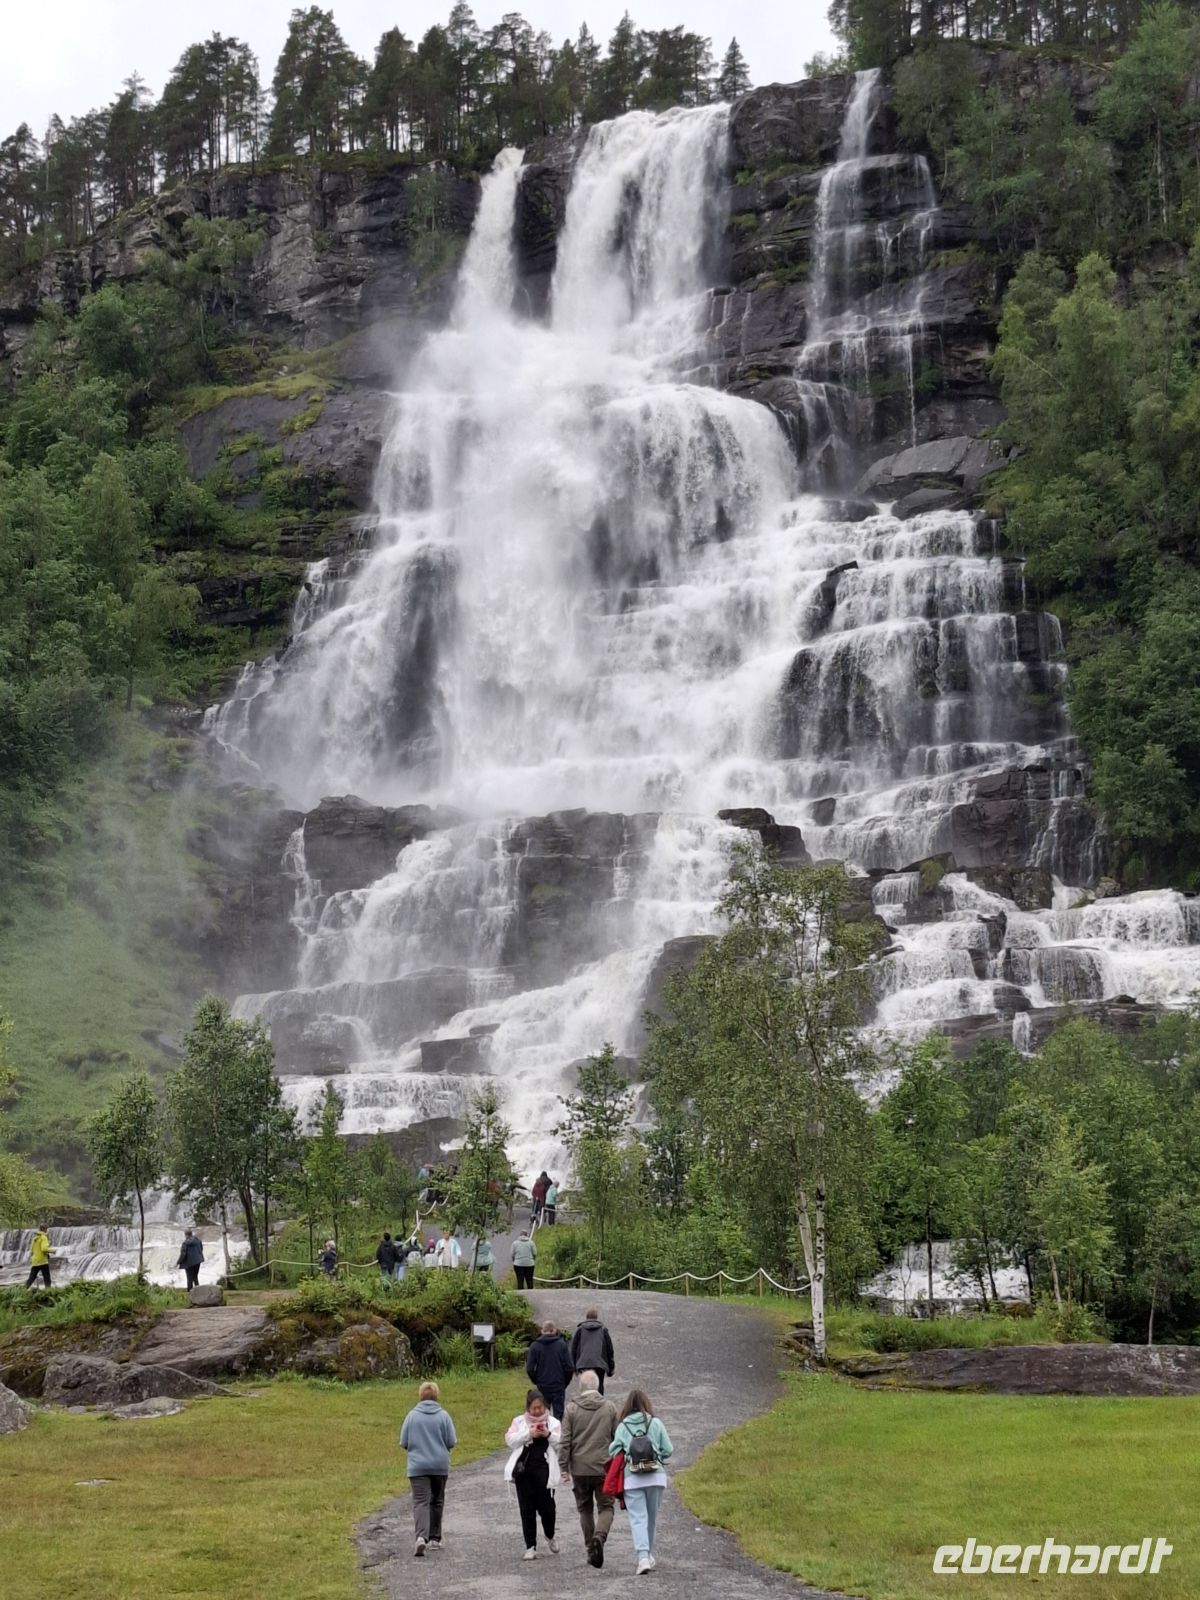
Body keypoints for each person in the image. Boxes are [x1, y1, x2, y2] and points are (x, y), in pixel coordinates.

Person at [609, 1388, 674, 1575]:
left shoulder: (622, 1427)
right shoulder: (656, 1423)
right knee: (651, 1518)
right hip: (656, 1476)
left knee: (638, 1518)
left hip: (632, 1477)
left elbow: (613, 1452)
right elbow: (668, 1449)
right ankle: (648, 1554)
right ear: (646, 1404)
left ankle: (643, 1557)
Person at [560, 1369, 618, 1568]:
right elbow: (616, 1437)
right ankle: (599, 1538)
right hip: (603, 1467)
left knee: (585, 1508)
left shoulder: (571, 1409)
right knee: (606, 1507)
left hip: (579, 1468)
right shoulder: (609, 1408)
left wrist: (563, 1467)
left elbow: (565, 1440)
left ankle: (589, 1548)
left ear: (580, 1388)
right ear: (597, 1386)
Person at [400, 1379, 458, 1558]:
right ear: (436, 1396)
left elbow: (404, 1442)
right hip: (439, 1466)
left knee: (420, 1502)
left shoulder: (411, 1416)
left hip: (418, 1467)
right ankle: (434, 1538)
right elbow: (451, 1441)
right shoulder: (443, 1416)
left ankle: (420, 1537)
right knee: (437, 1500)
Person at [505, 1388, 562, 1560]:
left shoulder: (553, 1423)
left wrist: (547, 1434)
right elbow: (510, 1440)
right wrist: (528, 1433)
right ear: (528, 1408)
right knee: (526, 1510)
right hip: (524, 1472)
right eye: (534, 1408)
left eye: (540, 1408)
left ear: (545, 1407)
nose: (537, 1411)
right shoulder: (519, 1421)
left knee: (548, 1509)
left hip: (544, 1471)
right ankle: (530, 1546)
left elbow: (562, 1442)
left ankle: (550, 1534)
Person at [525, 1319, 574, 1421]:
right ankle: (557, 1435)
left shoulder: (535, 1346)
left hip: (542, 1385)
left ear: (542, 1331)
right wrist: (565, 1382)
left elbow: (530, 1368)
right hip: (558, 1384)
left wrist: (536, 1380)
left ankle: (543, 1434)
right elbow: (569, 1367)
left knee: (542, 1415)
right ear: (554, 1330)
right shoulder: (562, 1345)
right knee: (558, 1416)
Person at [570, 1307, 615, 1395]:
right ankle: (599, 1405)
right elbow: (610, 1349)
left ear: (586, 1317)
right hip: (599, 1364)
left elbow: (573, 1349)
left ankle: (585, 1406)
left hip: (583, 1364)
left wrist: (573, 1367)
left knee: (584, 1386)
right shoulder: (603, 1330)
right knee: (599, 1385)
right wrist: (611, 1368)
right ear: (596, 1318)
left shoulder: (580, 1330)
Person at [24, 1224, 52, 1290]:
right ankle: (48, 1292)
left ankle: (22, 1291)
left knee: (31, 1278)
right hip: (43, 1261)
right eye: (47, 1229)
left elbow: (31, 1251)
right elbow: (44, 1249)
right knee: (47, 1278)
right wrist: (53, 1251)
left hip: (35, 1261)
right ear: (45, 1229)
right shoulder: (43, 1237)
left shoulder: (35, 1238)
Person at [177, 1228, 205, 1292]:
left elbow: (183, 1254)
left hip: (189, 1263)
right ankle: (198, 1291)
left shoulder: (185, 1243)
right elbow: (201, 1249)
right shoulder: (198, 1240)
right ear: (191, 1234)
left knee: (189, 1278)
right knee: (195, 1277)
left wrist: (178, 1262)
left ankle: (190, 1292)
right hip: (198, 1261)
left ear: (186, 1235)